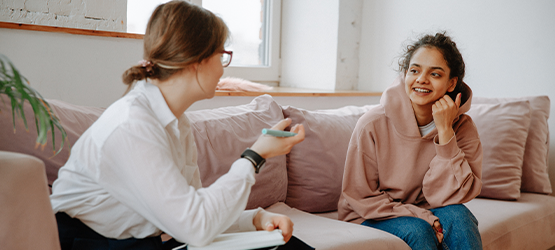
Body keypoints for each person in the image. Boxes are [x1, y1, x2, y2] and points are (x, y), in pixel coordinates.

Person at [50, 1, 313, 249]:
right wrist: (255, 156)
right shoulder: (133, 125)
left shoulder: (177, 123)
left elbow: (193, 211)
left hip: (141, 242)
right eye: (221, 55)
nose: (223, 70)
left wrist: (255, 219)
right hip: (90, 244)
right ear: (196, 61)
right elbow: (194, 226)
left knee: (280, 243)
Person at [338, 32, 483, 250]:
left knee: (460, 217)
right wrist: (421, 215)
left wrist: (445, 134)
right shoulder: (372, 124)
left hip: (428, 208)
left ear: (452, 83)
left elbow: (457, 195)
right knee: (418, 230)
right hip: (370, 215)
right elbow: (360, 196)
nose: (421, 79)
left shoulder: (463, 128)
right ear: (405, 74)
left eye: (435, 74)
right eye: (414, 70)